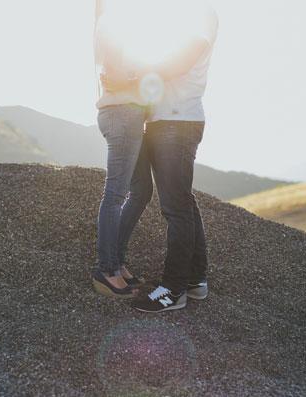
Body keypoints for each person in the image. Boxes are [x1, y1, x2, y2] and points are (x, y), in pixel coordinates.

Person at [103, 0, 219, 312]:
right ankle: (195, 281)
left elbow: (178, 63)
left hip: (178, 123)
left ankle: (173, 290)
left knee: (176, 208)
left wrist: (127, 78)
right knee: (183, 202)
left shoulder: (202, 14)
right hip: (161, 122)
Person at [91, 0, 150, 298]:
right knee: (115, 194)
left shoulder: (123, 21)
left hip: (127, 114)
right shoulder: (114, 22)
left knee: (142, 191)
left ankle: (117, 260)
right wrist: (145, 79)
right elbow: (113, 76)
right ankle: (107, 269)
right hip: (121, 114)